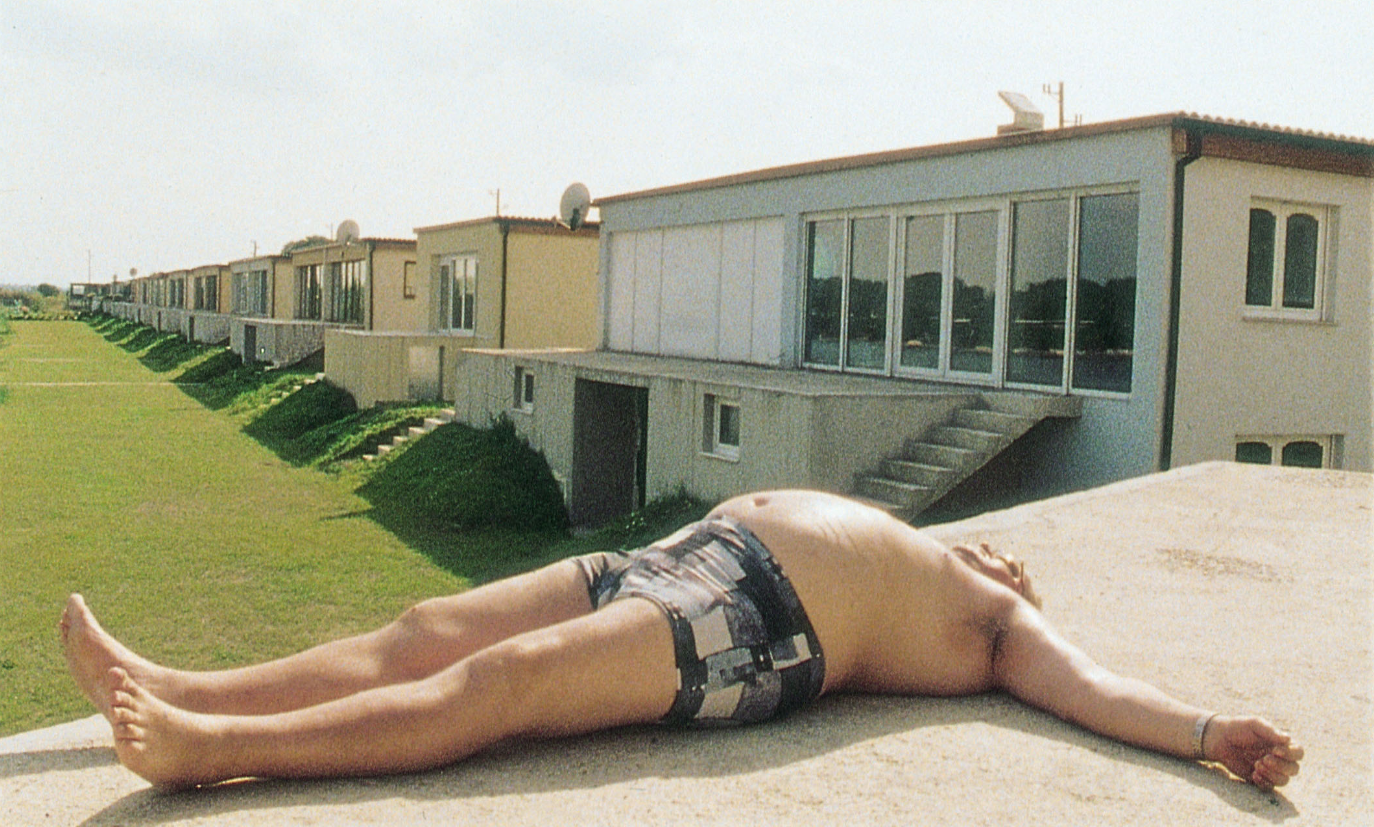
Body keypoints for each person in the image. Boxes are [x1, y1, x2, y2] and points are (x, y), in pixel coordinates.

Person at [61, 489, 1302, 791]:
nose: (1006, 558)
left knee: (500, 682)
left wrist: (1207, 731)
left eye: (1014, 566)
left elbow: (1097, 689)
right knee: (427, 625)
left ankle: (210, 748)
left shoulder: (1002, 625)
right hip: (677, 556)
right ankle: (180, 680)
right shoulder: (939, 551)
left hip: (751, 625)